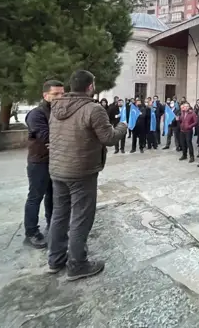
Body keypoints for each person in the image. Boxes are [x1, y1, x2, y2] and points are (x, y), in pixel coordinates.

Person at [48, 70, 127, 280]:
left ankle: (55, 260)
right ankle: (77, 264)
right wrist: (122, 127)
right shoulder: (93, 109)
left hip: (57, 169)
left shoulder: (56, 106)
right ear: (90, 87)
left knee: (59, 215)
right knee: (81, 218)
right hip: (81, 171)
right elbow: (109, 138)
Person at [23, 80, 65, 249]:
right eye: (56, 94)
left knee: (53, 196)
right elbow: (47, 137)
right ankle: (31, 232)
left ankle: (52, 224)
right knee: (35, 197)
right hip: (39, 162)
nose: (60, 97)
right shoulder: (36, 114)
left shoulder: (61, 112)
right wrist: (63, 139)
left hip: (56, 161)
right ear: (45, 95)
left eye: (62, 93)